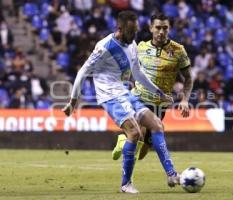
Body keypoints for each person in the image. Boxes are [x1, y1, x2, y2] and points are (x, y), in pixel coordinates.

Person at [62, 11, 180, 194]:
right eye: (131, 31)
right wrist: (73, 101)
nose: (134, 34)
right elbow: (82, 72)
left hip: (124, 92)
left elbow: (138, 73)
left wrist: (159, 92)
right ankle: (126, 184)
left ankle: (172, 174)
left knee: (156, 125)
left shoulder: (131, 44)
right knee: (135, 133)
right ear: (120, 29)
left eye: (136, 30)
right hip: (109, 95)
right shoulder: (104, 47)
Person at [112, 13, 192, 168]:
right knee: (139, 136)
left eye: (165, 28)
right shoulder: (140, 47)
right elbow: (130, 70)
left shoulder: (178, 50)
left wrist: (185, 99)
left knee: (141, 153)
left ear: (169, 29)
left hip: (160, 105)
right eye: (158, 28)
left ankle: (123, 141)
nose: (161, 32)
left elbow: (188, 78)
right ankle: (127, 181)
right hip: (139, 99)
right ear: (151, 28)